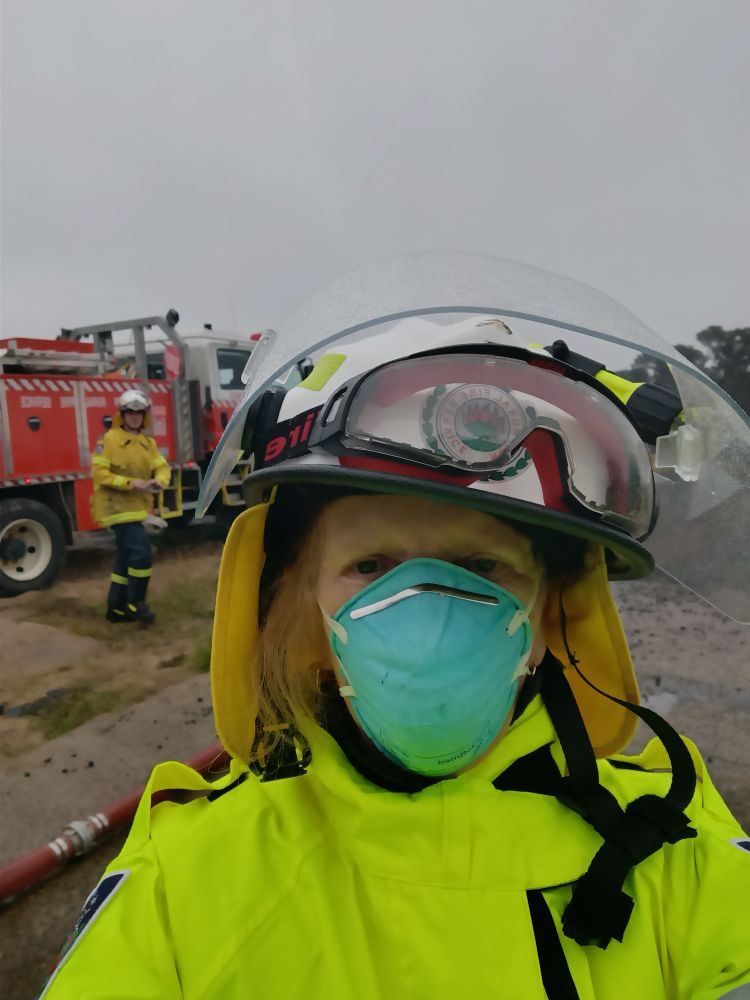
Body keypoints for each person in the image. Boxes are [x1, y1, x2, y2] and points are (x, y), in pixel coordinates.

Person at [42, 255, 750, 998]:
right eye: (371, 565)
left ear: (554, 614)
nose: (430, 619)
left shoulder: (675, 854)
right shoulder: (182, 886)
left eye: (482, 565)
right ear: (303, 614)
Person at [90, 388, 171, 625]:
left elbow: (162, 467)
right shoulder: (109, 439)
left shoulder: (148, 443)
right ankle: (136, 603)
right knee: (141, 554)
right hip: (115, 509)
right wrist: (129, 483)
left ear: (144, 415)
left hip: (136, 509)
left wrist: (160, 481)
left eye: (139, 412)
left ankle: (115, 609)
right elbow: (99, 473)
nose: (134, 416)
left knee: (125, 559)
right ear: (122, 414)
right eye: (130, 412)